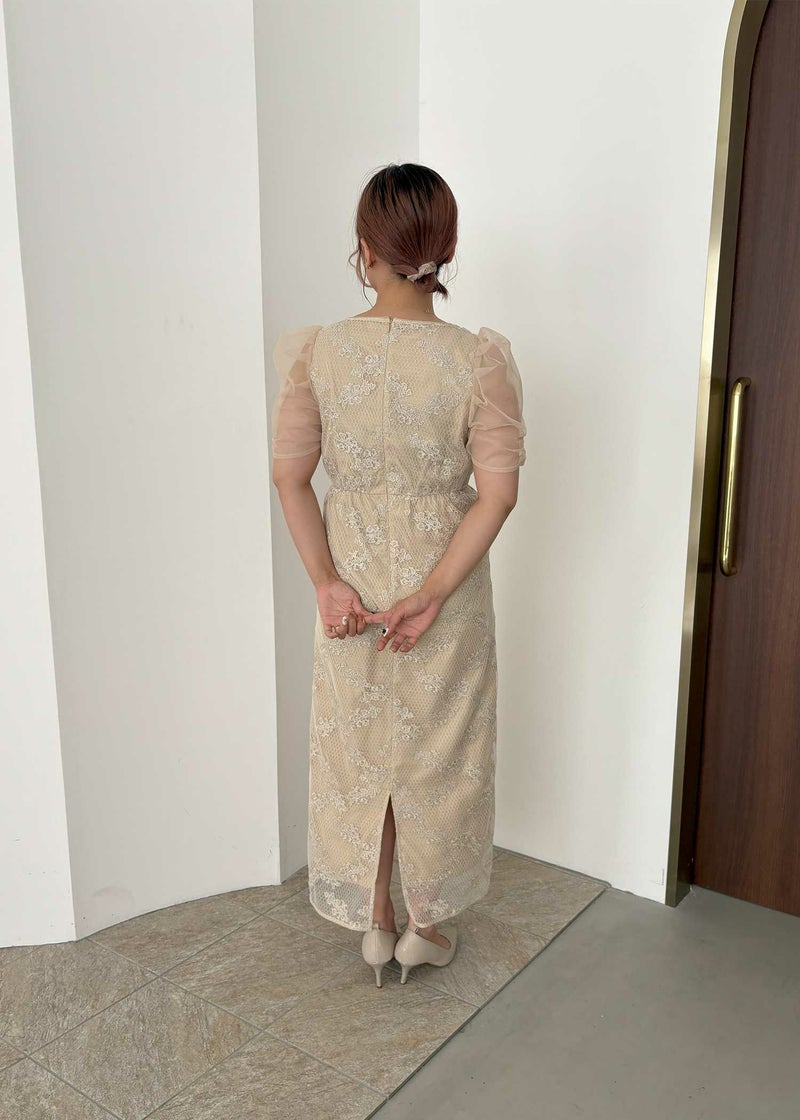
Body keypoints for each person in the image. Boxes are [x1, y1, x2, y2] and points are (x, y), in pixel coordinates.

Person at [271, 162, 526, 987]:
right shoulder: (478, 360)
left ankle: (375, 922)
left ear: (365, 249)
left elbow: (289, 477)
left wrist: (325, 581)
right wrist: (434, 592)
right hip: (442, 593)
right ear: (445, 248)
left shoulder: (318, 353)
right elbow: (498, 493)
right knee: (436, 756)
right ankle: (425, 926)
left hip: (350, 589)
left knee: (363, 753)